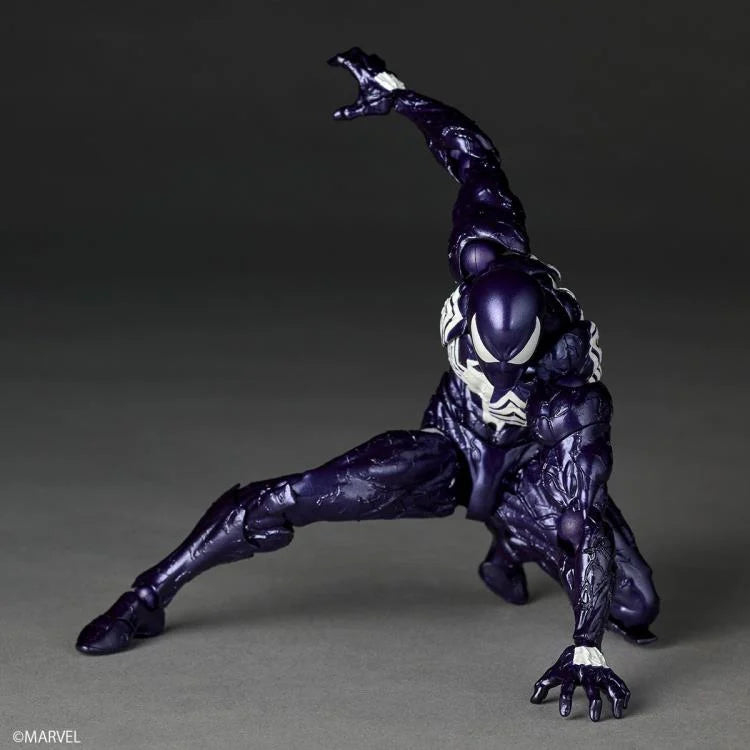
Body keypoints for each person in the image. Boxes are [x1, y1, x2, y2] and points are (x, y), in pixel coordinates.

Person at [76, 48, 659, 722]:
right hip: (453, 443)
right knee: (294, 495)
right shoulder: (485, 245)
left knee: (635, 607)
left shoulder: (572, 401)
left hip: (535, 465)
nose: (499, 382)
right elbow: (472, 154)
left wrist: (586, 647)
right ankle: (150, 595)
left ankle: (512, 536)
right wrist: (401, 98)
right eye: (485, 364)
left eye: (512, 375)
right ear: (465, 312)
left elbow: (583, 521)